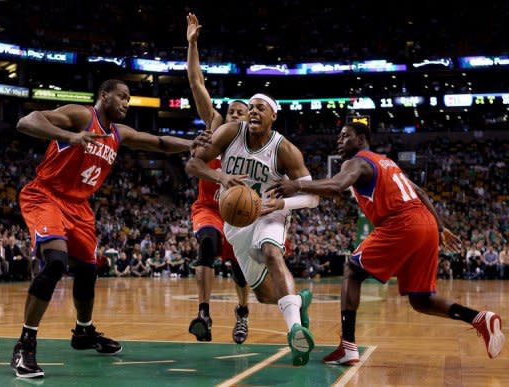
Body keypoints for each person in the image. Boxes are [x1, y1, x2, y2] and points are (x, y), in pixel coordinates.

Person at [11, 78, 210, 378]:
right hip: (46, 195)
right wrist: (68, 135)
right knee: (55, 263)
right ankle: (25, 344)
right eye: (122, 97)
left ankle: (83, 331)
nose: (126, 104)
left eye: (129, 100)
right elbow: (27, 121)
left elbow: (157, 142)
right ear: (103, 96)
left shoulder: (118, 133)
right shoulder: (81, 116)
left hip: (79, 207)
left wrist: (190, 144)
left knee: (89, 271)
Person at [269, 122, 505, 364]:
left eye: (345, 136)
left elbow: (338, 185)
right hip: (425, 225)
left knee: (351, 268)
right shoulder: (387, 163)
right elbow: (421, 193)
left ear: (361, 138)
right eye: (338, 137)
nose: (338, 141)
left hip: (401, 223)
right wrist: (440, 227)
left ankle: (348, 347)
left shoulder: (357, 161)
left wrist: (297, 184)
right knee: (421, 300)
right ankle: (480, 319)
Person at [186, 92, 319, 366]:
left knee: (272, 252)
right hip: (236, 221)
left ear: (274, 116)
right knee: (265, 294)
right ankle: (299, 302)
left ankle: (295, 332)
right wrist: (220, 176)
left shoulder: (285, 150)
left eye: (261, 108)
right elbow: (193, 164)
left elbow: (312, 197)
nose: (254, 112)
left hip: (270, 213)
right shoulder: (229, 133)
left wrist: (281, 203)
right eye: (251, 107)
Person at [185, 13, 251, 344]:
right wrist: (192, 43)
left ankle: (241, 314)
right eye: (232, 112)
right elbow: (197, 83)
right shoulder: (213, 128)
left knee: (240, 268)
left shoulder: (255, 146)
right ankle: (203, 312)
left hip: (238, 214)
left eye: (242, 112)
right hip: (209, 208)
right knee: (207, 243)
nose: (235, 115)